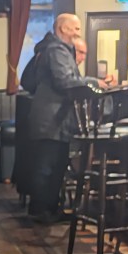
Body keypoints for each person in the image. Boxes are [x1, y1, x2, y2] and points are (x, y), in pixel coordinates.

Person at [20, 14, 106, 224]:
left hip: (52, 118)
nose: (78, 32)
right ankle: (40, 211)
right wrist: (95, 82)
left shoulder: (54, 49)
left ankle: (48, 210)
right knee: (47, 166)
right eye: (75, 28)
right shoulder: (57, 50)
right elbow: (65, 81)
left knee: (54, 166)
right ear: (63, 29)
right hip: (51, 118)